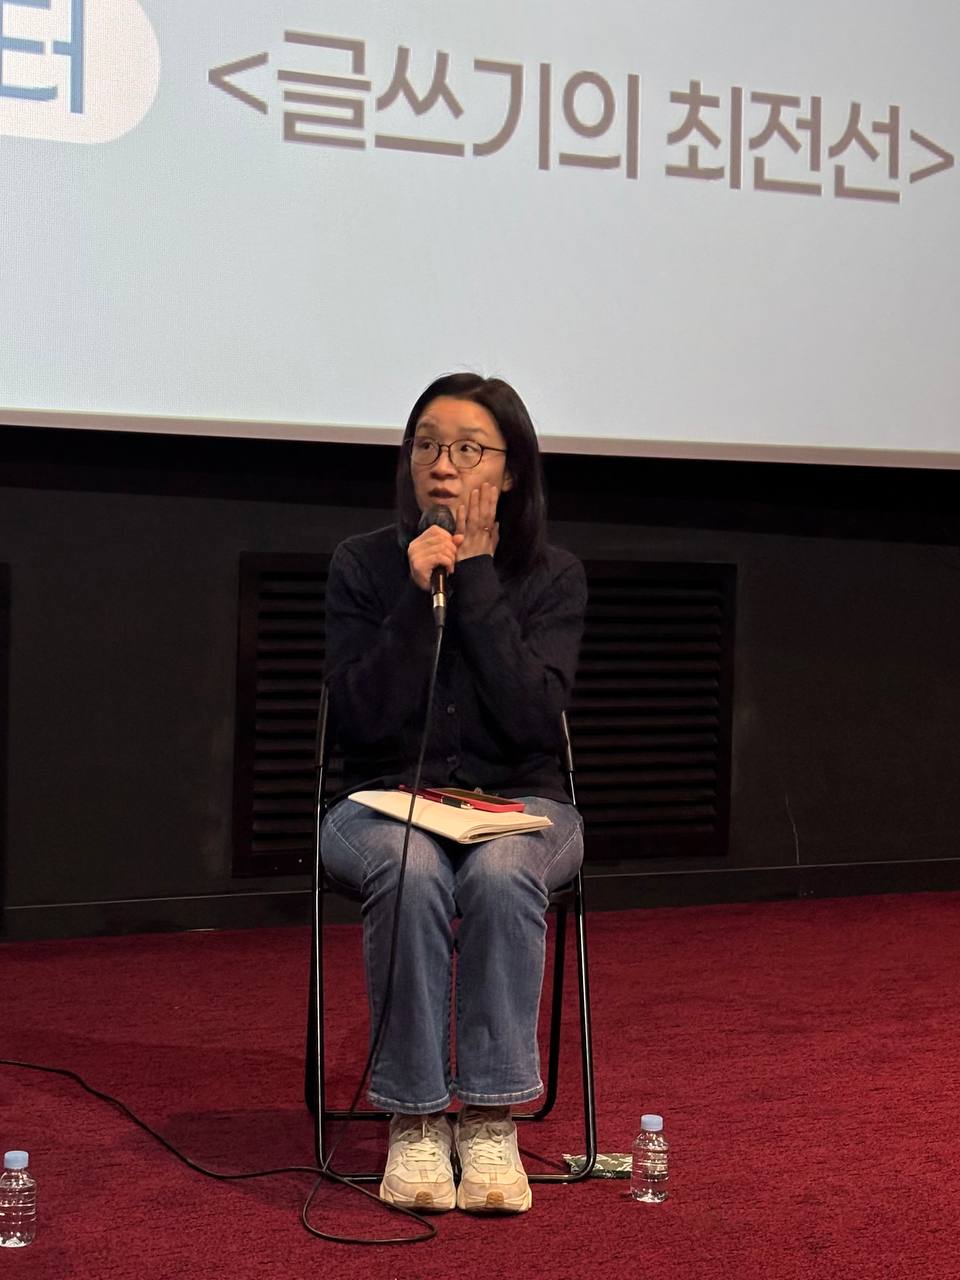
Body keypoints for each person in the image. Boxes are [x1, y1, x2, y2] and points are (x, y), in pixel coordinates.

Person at [320, 373, 586, 1214]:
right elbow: (359, 719)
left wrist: (474, 578)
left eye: (468, 448)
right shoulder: (364, 564)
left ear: (511, 470)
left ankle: (490, 1117)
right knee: (412, 867)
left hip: (524, 802)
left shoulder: (552, 575)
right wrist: (414, 596)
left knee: (504, 870)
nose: (443, 464)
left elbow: (533, 720)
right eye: (428, 445)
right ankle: (415, 1117)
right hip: (380, 802)